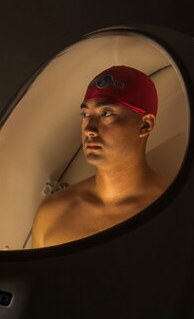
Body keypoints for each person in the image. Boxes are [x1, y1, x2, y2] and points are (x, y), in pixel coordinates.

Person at [31, 65, 170, 247]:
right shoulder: (51, 213)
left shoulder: (175, 208)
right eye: (86, 114)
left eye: (106, 114)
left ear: (145, 125)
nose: (89, 128)